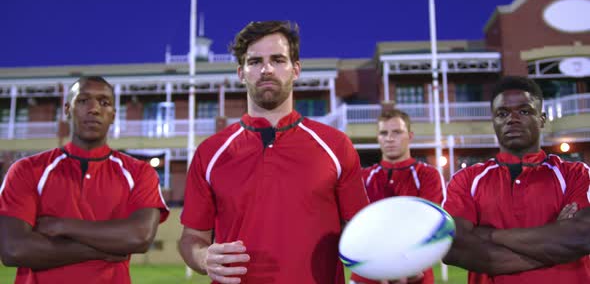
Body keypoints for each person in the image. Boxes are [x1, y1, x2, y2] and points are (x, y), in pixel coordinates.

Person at [178, 20, 369, 284]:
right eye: (255, 62)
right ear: (241, 73)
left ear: (296, 70)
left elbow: (362, 231)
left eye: (278, 60)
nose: (266, 69)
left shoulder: (335, 146)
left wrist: (393, 259)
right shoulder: (210, 153)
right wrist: (202, 258)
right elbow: (192, 238)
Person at [0, 76, 169, 284]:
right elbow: (13, 249)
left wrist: (62, 226)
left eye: (104, 102)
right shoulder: (27, 170)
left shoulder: (140, 173)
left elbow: (139, 237)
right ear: (67, 109)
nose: (94, 109)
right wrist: (103, 251)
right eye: (83, 101)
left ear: (113, 115)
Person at [442, 76, 590, 283]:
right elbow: (453, 249)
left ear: (542, 119)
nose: (512, 119)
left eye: (524, 111)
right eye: (502, 113)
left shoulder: (576, 174)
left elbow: (582, 238)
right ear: (493, 121)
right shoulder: (467, 179)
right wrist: (555, 240)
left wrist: (488, 235)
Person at [350, 109, 446, 284]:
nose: (389, 138)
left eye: (397, 132)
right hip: (367, 273)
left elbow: (425, 223)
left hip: (414, 273)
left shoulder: (427, 175)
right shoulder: (363, 178)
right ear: (378, 138)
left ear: (410, 136)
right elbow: (357, 227)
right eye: (383, 133)